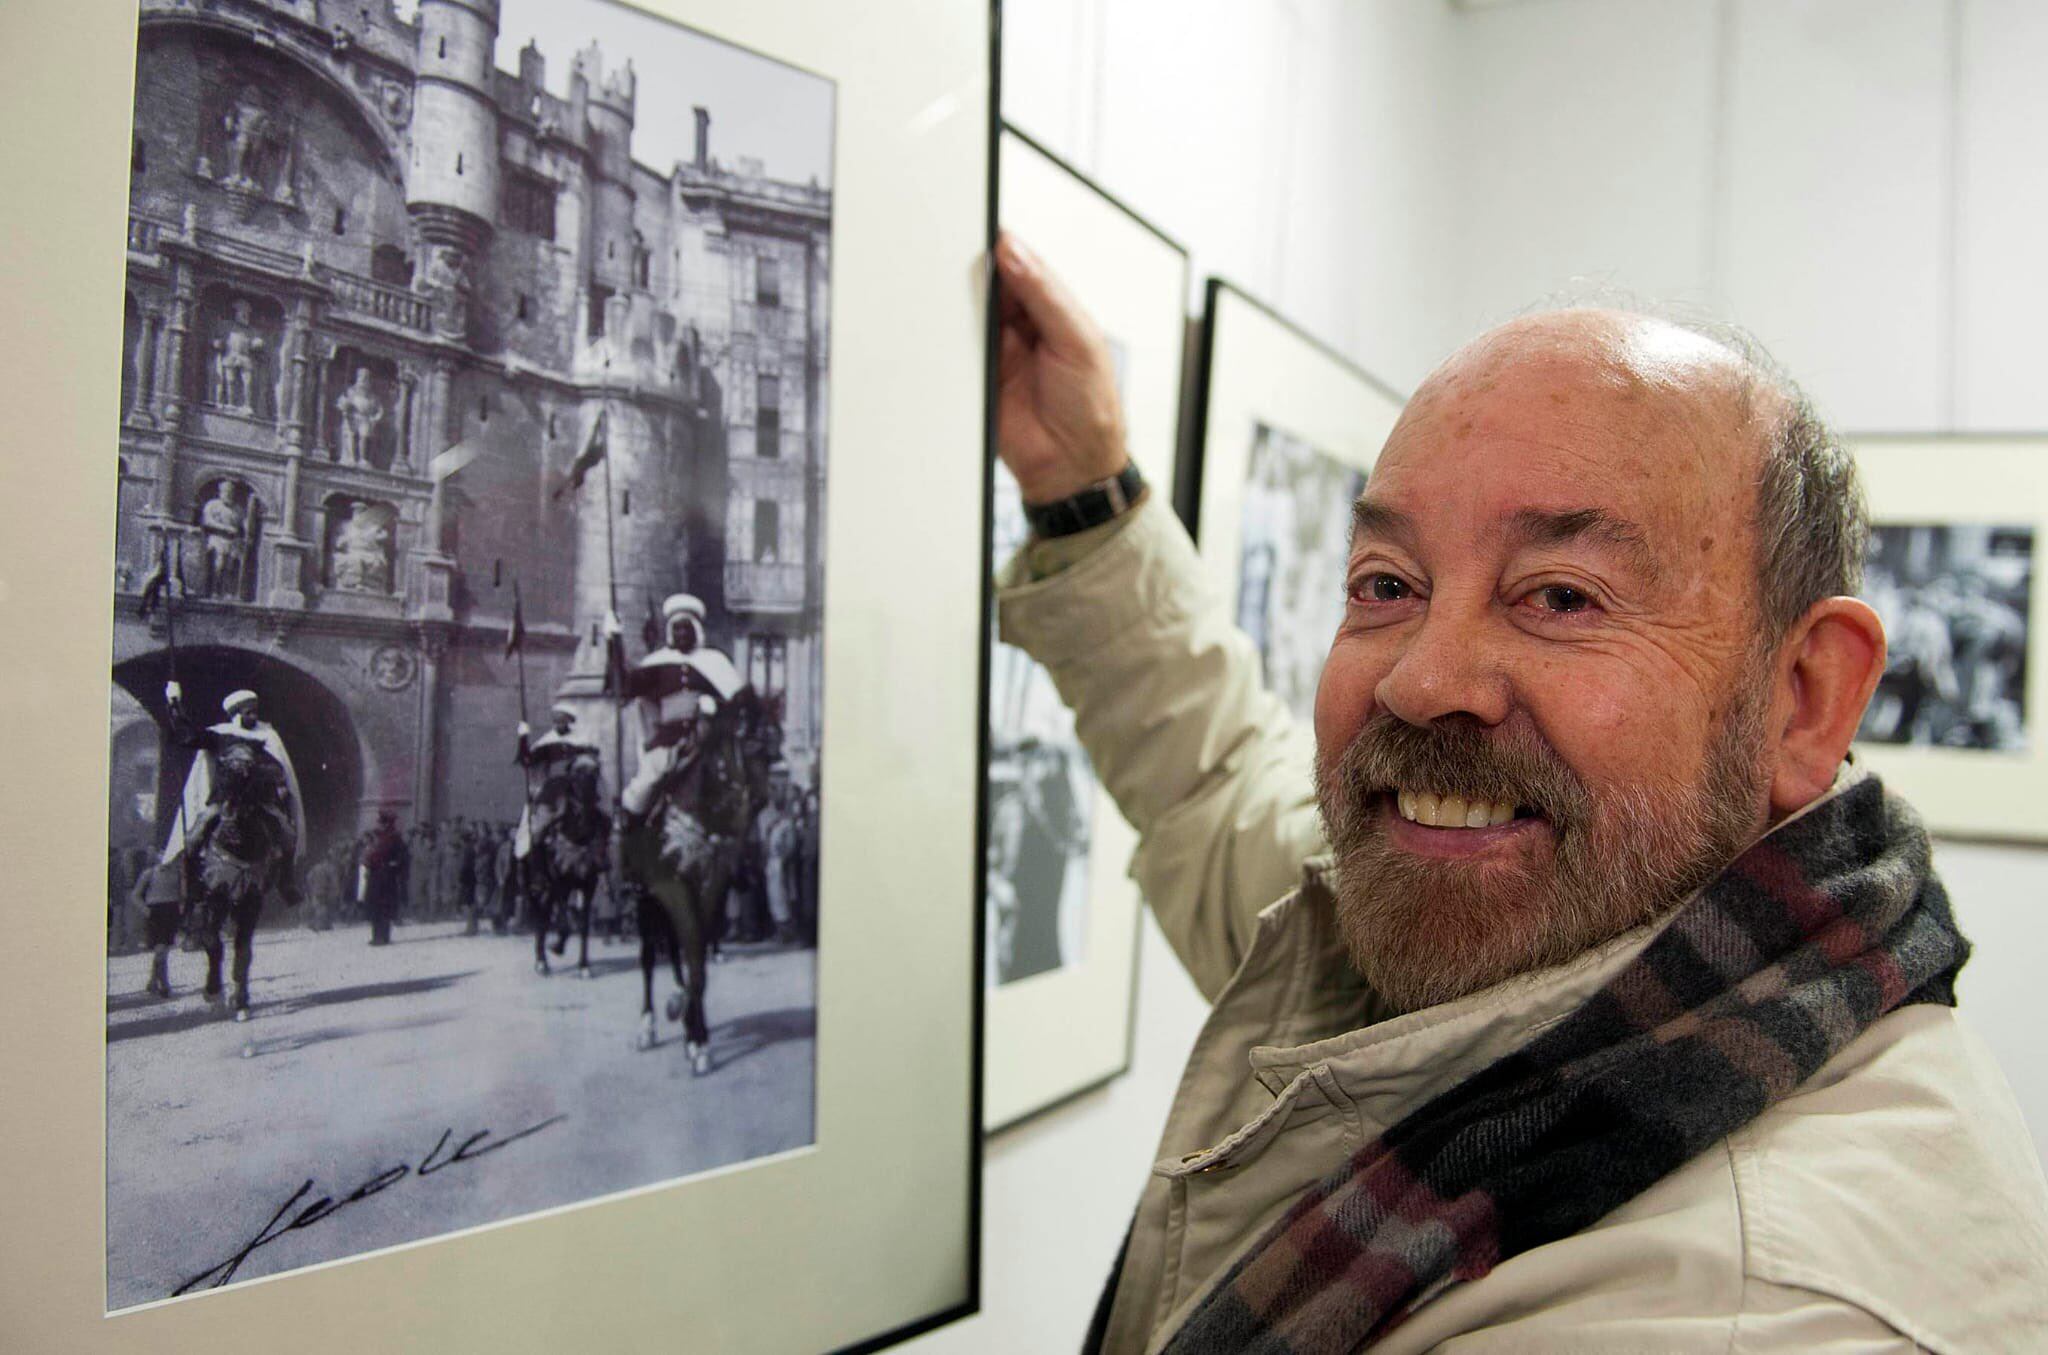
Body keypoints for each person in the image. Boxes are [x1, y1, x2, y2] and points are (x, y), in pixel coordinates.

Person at [987, 232, 2048, 1352]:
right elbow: (1219, 788)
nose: (1420, 678)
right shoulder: (1546, 947)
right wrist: (1084, 487)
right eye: (1386, 584)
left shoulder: (1745, 1308)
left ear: (1800, 696)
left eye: (1559, 595)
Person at [358, 809, 408, 946]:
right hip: (375, 877)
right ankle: (376, 936)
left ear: (387, 824)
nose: (379, 825)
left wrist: (394, 866)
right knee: (375, 908)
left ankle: (383, 936)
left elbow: (402, 858)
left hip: (387, 878)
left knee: (384, 909)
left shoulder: (394, 838)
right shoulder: (378, 838)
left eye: (382, 822)